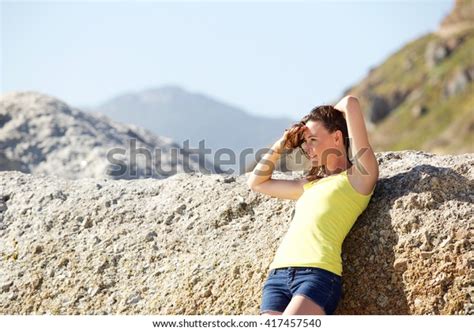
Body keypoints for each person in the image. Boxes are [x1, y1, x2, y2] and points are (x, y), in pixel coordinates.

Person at [247, 95, 379, 315]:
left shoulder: (359, 176)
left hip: (317, 274)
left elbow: (351, 103)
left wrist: (328, 116)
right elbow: (256, 182)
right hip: (278, 275)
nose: (307, 148)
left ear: (337, 137)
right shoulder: (308, 184)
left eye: (313, 140)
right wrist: (282, 143)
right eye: (304, 141)